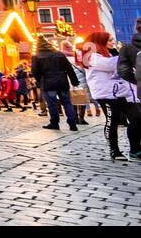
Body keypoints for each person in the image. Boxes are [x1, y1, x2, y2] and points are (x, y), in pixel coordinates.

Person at [82, 31, 141, 161]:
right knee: (112, 120)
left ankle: (135, 149)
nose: (112, 42)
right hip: (106, 94)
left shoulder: (112, 53)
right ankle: (114, 150)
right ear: (101, 42)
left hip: (123, 92)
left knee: (137, 118)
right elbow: (109, 65)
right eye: (109, 40)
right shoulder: (91, 56)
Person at [30, 34, 79, 131]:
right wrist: (74, 81)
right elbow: (69, 69)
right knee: (67, 103)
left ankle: (55, 123)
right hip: (62, 81)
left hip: (48, 83)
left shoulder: (36, 56)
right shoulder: (59, 54)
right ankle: (72, 123)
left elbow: (35, 71)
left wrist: (39, 82)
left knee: (52, 104)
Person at [62, 40, 90, 125]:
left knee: (73, 100)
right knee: (82, 100)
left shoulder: (63, 57)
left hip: (69, 80)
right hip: (81, 79)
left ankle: (75, 118)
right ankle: (81, 118)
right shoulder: (78, 56)